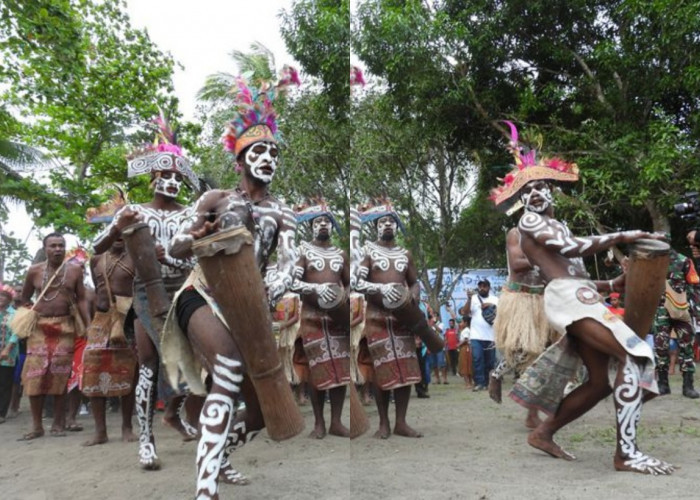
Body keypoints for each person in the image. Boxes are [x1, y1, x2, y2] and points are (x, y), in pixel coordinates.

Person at [492, 123, 672, 474]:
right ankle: (626, 454)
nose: (537, 193)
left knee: (600, 382)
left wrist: (611, 283)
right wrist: (625, 234)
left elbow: (572, 271)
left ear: (553, 191)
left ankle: (544, 431)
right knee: (634, 356)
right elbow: (570, 250)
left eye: (543, 186)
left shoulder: (556, 225)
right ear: (521, 201)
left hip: (578, 296)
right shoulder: (529, 223)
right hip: (568, 302)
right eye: (529, 190)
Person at [163, 75, 299, 498]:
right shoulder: (215, 199)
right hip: (201, 294)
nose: (268, 158)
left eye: (274, 152)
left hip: (250, 309)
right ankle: (205, 492)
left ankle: (219, 455)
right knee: (226, 367)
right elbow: (174, 249)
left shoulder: (284, 212)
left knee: (258, 414)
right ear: (239, 160)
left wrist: (268, 294)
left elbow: (289, 266)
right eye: (258, 151)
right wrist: (196, 234)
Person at [92, 119, 199, 469]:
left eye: (177, 177)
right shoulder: (133, 211)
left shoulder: (190, 214)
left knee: (192, 361)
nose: (170, 182)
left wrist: (169, 255)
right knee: (150, 364)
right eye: (163, 176)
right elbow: (97, 246)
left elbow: (199, 257)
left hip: (184, 291)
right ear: (152, 179)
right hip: (146, 293)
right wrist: (118, 230)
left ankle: (174, 413)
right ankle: (146, 441)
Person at [355, 203, 422, 438]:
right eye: (382, 222)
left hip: (402, 320)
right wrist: (382, 289)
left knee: (405, 371)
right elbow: (357, 283)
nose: (387, 225)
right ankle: (383, 423)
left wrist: (412, 296)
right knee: (380, 371)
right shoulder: (368, 253)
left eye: (391, 221)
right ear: (375, 227)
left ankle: (401, 422)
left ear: (396, 225)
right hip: (377, 319)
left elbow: (414, 282)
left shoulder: (405, 254)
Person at [15, 233, 90, 440]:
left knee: (60, 375)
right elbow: (24, 298)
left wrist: (88, 324)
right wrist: (27, 316)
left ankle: (58, 424)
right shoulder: (34, 271)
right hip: (39, 327)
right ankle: (37, 426)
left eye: (61, 246)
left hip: (65, 326)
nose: (57, 249)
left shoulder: (74, 271)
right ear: (45, 248)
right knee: (34, 376)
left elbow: (82, 298)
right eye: (53, 246)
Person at [488, 225, 557, 429]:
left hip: (543, 299)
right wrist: (546, 258)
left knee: (543, 357)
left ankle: (532, 414)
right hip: (520, 299)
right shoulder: (516, 233)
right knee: (524, 351)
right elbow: (517, 263)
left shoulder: (551, 232)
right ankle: (497, 374)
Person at [291, 204, 350, 438]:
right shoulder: (302, 251)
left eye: (326, 221)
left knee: (339, 372)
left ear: (331, 226)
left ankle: (336, 421)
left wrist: (343, 295)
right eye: (317, 222)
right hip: (312, 318)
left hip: (337, 320)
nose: (323, 224)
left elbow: (348, 283)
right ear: (311, 227)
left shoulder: (340, 254)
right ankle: (319, 423)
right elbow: (293, 283)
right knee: (317, 370)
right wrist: (317, 288)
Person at [81, 233, 139, 446]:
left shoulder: (135, 257)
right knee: (93, 374)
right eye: (114, 233)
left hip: (129, 320)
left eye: (123, 233)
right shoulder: (96, 259)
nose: (118, 237)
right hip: (102, 319)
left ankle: (127, 427)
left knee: (129, 373)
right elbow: (97, 291)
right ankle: (100, 431)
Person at [653, 249, 700, 398]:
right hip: (661, 311)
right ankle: (663, 384)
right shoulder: (651, 262)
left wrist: (696, 311)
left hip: (682, 309)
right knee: (660, 346)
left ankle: (688, 386)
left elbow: (695, 285)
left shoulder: (684, 261)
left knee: (687, 347)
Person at [468, 279, 498, 391]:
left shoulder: (495, 299)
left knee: (490, 361)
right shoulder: (474, 298)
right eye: (480, 286)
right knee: (477, 358)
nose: (482, 288)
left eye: (484, 286)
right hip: (476, 336)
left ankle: (488, 382)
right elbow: (465, 312)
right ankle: (479, 383)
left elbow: (502, 313)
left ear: (489, 287)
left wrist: (490, 305)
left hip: (491, 336)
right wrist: (468, 299)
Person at [0, 284, 19, 423]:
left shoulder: (14, 314)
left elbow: (16, 333)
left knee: (5, 383)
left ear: (9, 299)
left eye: (4, 296)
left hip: (8, 354)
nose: (1, 298)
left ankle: (1, 413)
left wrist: (7, 349)